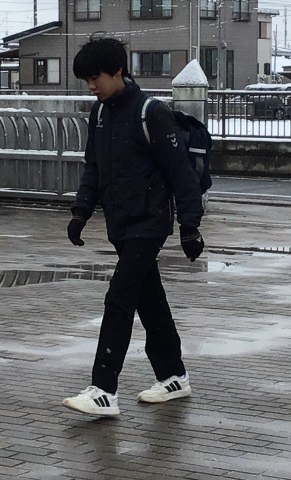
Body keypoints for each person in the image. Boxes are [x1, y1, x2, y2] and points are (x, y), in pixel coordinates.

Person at [62, 37, 205, 417]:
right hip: (120, 224)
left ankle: (103, 390)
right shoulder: (100, 114)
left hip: (148, 223)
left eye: (95, 78)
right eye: (86, 80)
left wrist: (190, 226)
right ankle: (173, 377)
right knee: (150, 302)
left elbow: (181, 173)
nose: (90, 86)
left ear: (118, 71)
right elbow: (93, 168)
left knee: (119, 299)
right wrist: (80, 212)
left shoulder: (150, 113)